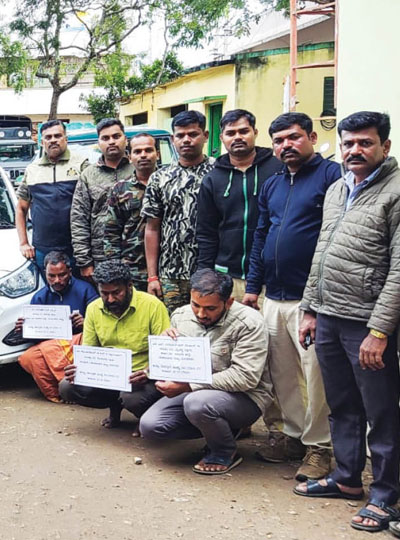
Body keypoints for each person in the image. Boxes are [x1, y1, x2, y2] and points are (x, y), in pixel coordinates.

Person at [295, 111, 400, 533]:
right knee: (342, 407)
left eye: (365, 143)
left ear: (385, 147)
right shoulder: (339, 188)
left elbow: (398, 270)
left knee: (382, 412)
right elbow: (321, 253)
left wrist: (379, 331)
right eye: (349, 143)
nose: (355, 150)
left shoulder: (395, 191)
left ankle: (386, 495)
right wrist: (309, 308)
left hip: (368, 324)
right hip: (330, 318)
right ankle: (347, 479)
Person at [241, 112, 341, 480]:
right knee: (280, 373)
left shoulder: (332, 177)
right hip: (273, 296)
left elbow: (334, 240)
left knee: (315, 376)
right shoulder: (272, 184)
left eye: (294, 137)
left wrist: (316, 300)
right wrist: (253, 288)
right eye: (279, 140)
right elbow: (260, 238)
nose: (286, 146)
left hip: (312, 300)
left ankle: (320, 448)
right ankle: (294, 436)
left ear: (312, 137)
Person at [140, 269, 270, 475]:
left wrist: (188, 386)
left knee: (197, 403)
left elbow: (246, 377)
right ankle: (222, 430)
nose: (201, 314)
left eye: (210, 308)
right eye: (195, 305)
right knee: (150, 426)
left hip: (245, 397)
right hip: (196, 394)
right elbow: (174, 363)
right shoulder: (181, 315)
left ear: (228, 302)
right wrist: (163, 351)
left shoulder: (250, 322)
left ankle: (224, 450)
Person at [60, 260, 170, 432]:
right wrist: (79, 369)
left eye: (116, 293)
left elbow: (165, 354)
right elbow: (89, 351)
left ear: (129, 286)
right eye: (104, 293)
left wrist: (148, 373)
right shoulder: (93, 308)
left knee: (132, 399)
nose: (110, 299)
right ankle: (114, 408)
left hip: (143, 377)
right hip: (109, 375)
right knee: (67, 386)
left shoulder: (152, 305)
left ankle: (145, 417)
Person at [195, 109, 283, 298]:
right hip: (227, 278)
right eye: (231, 133)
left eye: (244, 131)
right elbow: (206, 232)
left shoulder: (279, 170)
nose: (238, 137)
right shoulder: (213, 179)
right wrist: (206, 276)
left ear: (255, 132)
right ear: (221, 138)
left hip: (271, 278)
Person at [142, 110, 215, 310]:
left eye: (193, 134)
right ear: (173, 139)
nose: (186, 140)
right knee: (173, 331)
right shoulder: (160, 177)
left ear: (205, 136)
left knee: (208, 328)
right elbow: (152, 228)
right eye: (180, 136)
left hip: (209, 272)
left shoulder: (218, 173)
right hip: (169, 274)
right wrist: (152, 276)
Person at [15, 251, 99, 402]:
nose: (57, 280)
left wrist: (85, 322)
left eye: (62, 275)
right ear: (45, 274)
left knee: (79, 340)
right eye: (51, 276)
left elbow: (102, 324)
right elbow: (35, 339)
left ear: (70, 272)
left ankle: (75, 388)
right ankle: (57, 394)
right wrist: (25, 329)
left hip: (79, 343)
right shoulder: (39, 297)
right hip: (51, 346)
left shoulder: (86, 290)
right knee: (28, 357)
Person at [15, 120, 85, 275]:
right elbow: (21, 208)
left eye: (58, 135)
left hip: (77, 247)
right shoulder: (32, 170)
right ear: (41, 142)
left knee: (81, 292)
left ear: (66, 138)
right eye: (48, 137)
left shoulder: (81, 165)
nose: (53, 140)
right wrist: (24, 243)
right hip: (43, 248)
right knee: (49, 293)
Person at [70, 118, 135, 276]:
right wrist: (84, 261)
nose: (111, 142)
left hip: (137, 256)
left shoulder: (138, 169)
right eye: (105, 138)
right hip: (101, 258)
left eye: (116, 136)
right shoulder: (88, 176)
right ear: (98, 143)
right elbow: (79, 219)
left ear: (125, 140)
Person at [102, 133, 159, 291]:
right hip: (131, 271)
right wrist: (116, 271)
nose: (143, 155)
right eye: (137, 151)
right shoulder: (120, 189)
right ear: (129, 156)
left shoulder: (168, 184)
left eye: (148, 150)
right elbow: (111, 233)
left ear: (157, 154)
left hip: (166, 268)